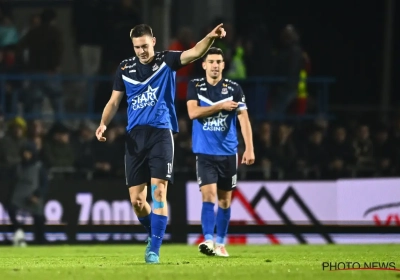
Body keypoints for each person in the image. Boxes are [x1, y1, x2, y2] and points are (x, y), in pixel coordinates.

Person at [95, 23, 226, 264]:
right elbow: (114, 101)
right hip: (135, 137)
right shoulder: (125, 67)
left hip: (161, 134)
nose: (142, 51)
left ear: (153, 41)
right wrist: (103, 123)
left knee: (159, 192)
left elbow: (196, 52)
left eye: (145, 46)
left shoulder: (167, 61)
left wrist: (210, 37)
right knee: (137, 202)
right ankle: (153, 232)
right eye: (137, 47)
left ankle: (153, 249)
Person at [186, 47, 255, 257]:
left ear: (223, 65)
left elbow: (244, 119)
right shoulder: (195, 86)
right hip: (205, 153)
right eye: (212, 61)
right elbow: (192, 113)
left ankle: (221, 243)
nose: (215, 65)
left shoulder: (234, 88)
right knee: (208, 196)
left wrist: (249, 148)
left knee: (225, 201)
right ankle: (208, 240)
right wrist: (220, 106)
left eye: (219, 61)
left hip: (228, 154)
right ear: (204, 65)